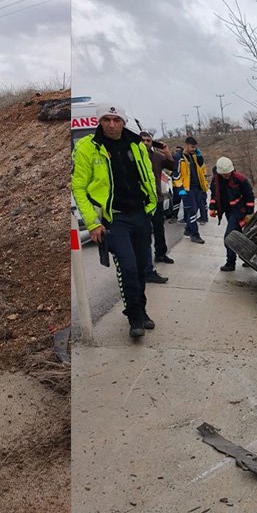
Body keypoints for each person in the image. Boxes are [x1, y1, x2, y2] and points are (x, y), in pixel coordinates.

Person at [71, 104, 159, 339]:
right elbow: (78, 187)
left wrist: (151, 207)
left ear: (123, 122)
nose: (111, 124)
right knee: (128, 268)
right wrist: (92, 222)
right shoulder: (87, 147)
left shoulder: (136, 144)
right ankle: (134, 317)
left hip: (140, 214)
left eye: (116, 120)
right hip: (115, 219)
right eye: (106, 120)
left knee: (141, 268)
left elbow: (148, 175)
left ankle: (141, 309)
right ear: (100, 122)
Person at [209, 156, 256, 271]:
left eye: (228, 173)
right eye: (224, 173)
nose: (227, 175)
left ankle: (230, 263)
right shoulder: (215, 181)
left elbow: (250, 196)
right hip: (228, 211)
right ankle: (248, 259)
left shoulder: (240, 179)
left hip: (238, 211)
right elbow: (214, 196)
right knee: (239, 236)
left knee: (229, 237)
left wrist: (249, 213)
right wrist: (212, 208)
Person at [140, 131, 175, 283]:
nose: (145, 143)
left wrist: (167, 152)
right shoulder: (134, 156)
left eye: (148, 140)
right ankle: (145, 266)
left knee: (159, 228)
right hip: (142, 201)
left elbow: (172, 166)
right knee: (145, 232)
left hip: (157, 199)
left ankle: (160, 254)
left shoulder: (157, 157)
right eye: (143, 140)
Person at [172, 137, 208, 244]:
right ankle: (194, 234)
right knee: (192, 210)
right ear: (186, 145)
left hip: (197, 187)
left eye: (195, 147)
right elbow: (176, 175)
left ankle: (188, 229)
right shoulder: (179, 157)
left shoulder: (193, 156)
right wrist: (181, 191)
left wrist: (199, 156)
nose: (194, 149)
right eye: (192, 147)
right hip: (186, 189)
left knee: (194, 210)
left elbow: (201, 167)